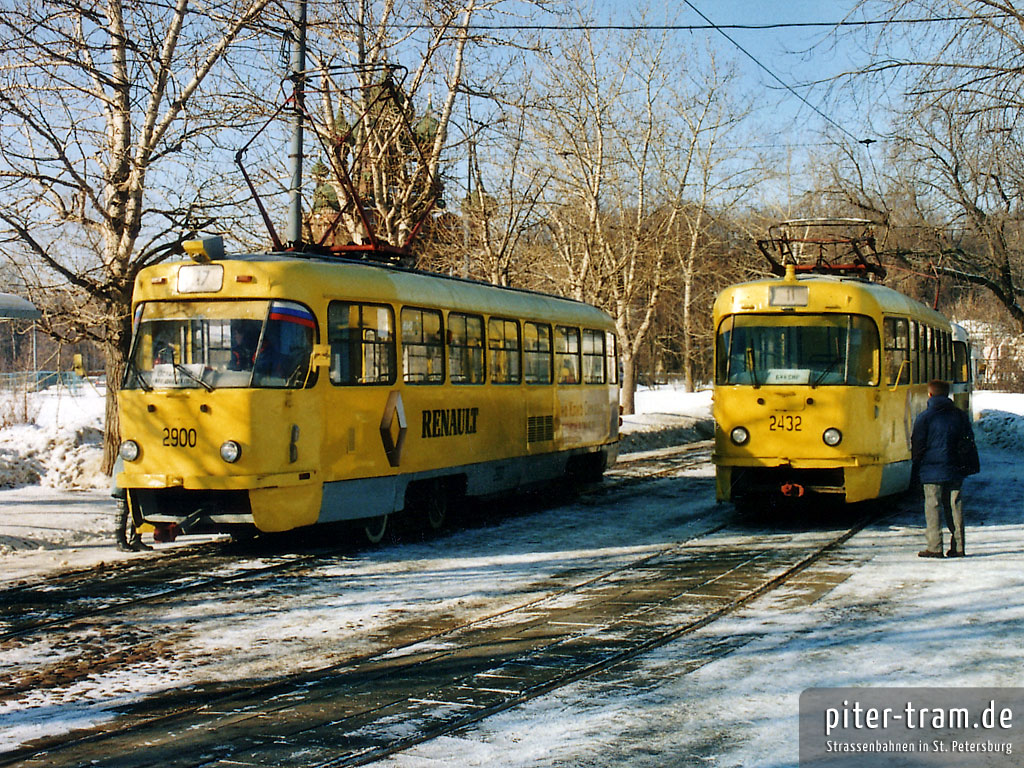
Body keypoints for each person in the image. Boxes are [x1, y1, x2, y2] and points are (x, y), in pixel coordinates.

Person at [910, 379, 980, 558]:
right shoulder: (960, 416)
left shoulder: (925, 417)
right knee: (955, 506)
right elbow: (968, 441)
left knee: (933, 506)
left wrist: (918, 463)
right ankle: (958, 547)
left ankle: (935, 547)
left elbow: (917, 444)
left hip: (931, 470)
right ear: (948, 394)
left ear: (930, 394)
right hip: (955, 468)